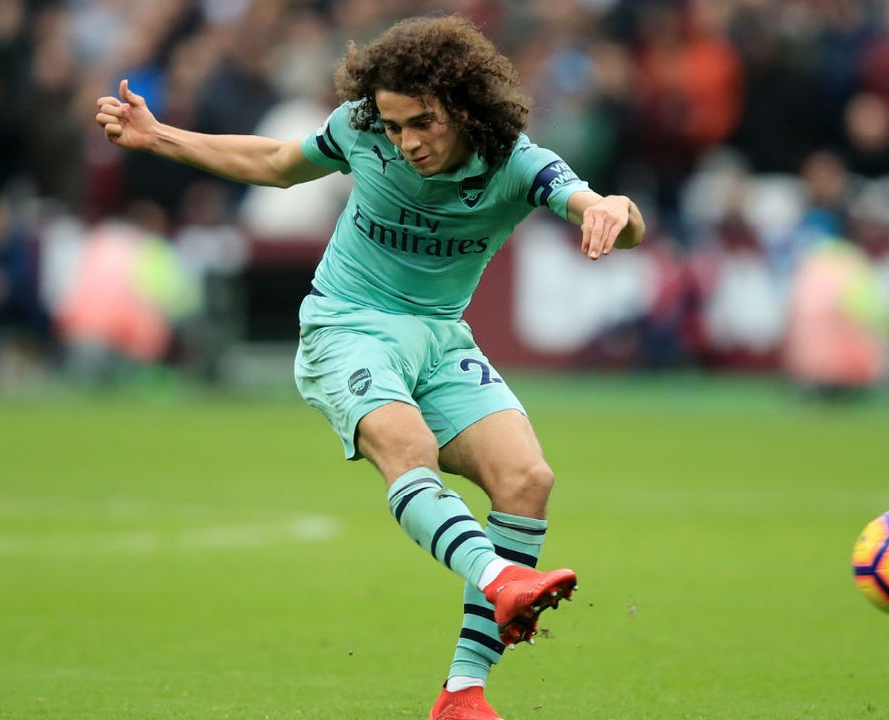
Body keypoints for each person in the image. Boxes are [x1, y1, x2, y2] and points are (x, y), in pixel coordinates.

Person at [94, 15, 645, 720]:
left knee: (527, 480)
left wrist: (613, 208)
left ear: (465, 109)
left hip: (440, 338)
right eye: (392, 126)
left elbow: (601, 213)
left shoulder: (514, 162)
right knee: (408, 450)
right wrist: (159, 136)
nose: (406, 142)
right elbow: (274, 164)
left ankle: (463, 693)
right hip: (347, 327)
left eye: (422, 123)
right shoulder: (359, 128)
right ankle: (499, 576)